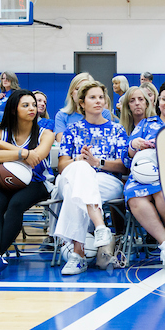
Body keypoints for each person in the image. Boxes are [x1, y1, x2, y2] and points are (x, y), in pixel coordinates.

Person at [0, 90, 56, 280]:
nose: (32, 108)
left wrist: (5, 147)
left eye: (33, 105)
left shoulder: (46, 134)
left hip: (37, 182)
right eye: (25, 105)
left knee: (15, 205)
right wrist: (23, 153)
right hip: (2, 181)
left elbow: (37, 157)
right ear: (13, 110)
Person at [53, 82, 130, 276]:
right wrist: (80, 160)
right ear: (81, 103)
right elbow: (62, 166)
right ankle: (100, 226)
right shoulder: (72, 130)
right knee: (80, 171)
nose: (98, 101)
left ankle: (77, 255)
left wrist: (97, 162)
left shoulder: (117, 130)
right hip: (72, 176)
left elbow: (123, 166)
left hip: (106, 181)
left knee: (75, 192)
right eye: (92, 97)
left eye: (101, 97)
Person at [124, 80, 165, 270]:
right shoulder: (146, 124)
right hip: (143, 175)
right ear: (158, 101)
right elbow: (127, 157)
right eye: (164, 99)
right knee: (134, 198)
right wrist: (134, 145)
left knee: (162, 194)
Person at [55, 72, 93, 138]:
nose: (80, 93)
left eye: (85, 90)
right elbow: (61, 140)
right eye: (77, 89)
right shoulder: (61, 115)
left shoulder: (103, 113)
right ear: (71, 92)